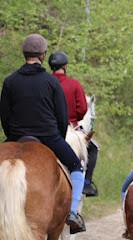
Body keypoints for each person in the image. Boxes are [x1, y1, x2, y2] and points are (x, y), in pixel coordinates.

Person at [0, 33, 86, 233]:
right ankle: (73, 213)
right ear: (43, 54)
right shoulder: (51, 82)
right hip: (49, 137)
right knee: (75, 166)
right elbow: (62, 117)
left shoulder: (10, 81)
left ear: (24, 54)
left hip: (15, 136)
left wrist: (12, 136)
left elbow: (4, 115)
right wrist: (56, 135)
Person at [48, 51, 99, 197]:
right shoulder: (74, 84)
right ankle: (87, 183)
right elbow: (83, 108)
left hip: (48, 127)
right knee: (94, 148)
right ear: (65, 66)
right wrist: (74, 118)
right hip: (71, 127)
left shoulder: (46, 81)